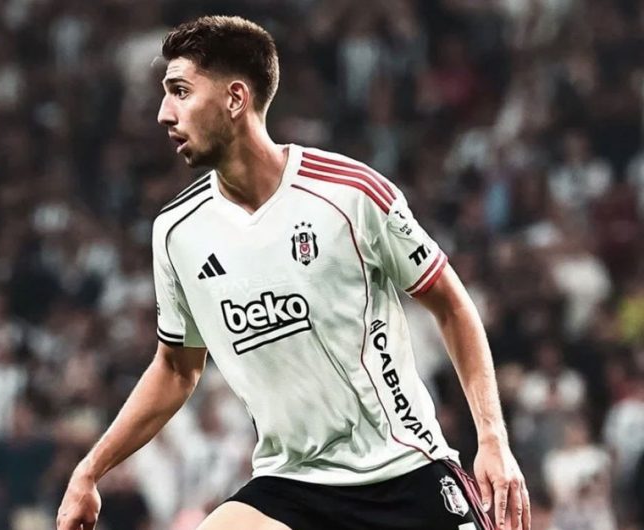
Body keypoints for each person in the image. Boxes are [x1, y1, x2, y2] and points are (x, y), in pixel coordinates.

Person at [57, 15, 529, 530]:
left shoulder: (350, 194)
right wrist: (90, 470)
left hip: (404, 473)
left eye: (181, 92)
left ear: (235, 98)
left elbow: (452, 304)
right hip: (293, 484)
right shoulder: (177, 232)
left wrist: (492, 439)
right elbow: (176, 368)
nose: (163, 113)